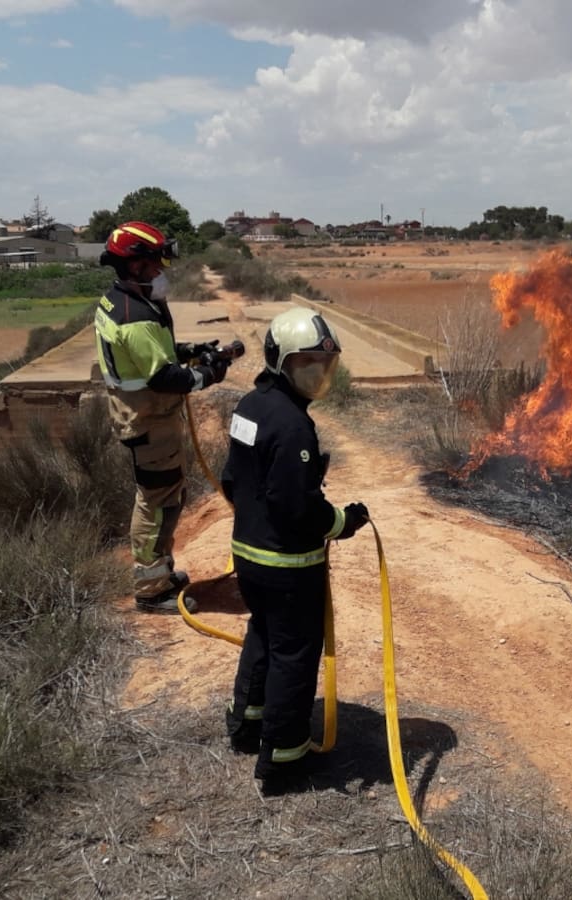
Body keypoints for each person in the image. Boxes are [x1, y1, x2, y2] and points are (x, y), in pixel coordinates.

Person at [221, 306, 370, 792]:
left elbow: (232, 478)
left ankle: (246, 723)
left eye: (323, 366)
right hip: (288, 565)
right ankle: (284, 759)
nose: (316, 375)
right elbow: (298, 508)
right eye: (305, 363)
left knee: (263, 635)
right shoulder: (292, 427)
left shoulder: (249, 406)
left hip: (249, 555)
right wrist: (344, 521)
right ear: (278, 361)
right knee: (294, 655)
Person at [93, 221, 236, 614]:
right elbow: (163, 375)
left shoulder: (122, 301)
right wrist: (207, 374)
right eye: (155, 263)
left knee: (168, 495)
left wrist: (193, 349)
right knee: (156, 503)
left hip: (145, 416)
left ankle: (161, 570)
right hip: (148, 420)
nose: (161, 271)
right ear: (134, 264)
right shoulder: (135, 315)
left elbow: (155, 352)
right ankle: (151, 589)